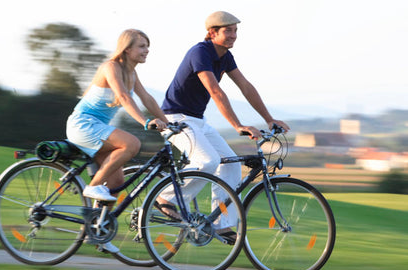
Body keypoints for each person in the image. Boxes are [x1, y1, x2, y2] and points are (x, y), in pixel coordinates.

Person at [159, 11, 290, 242]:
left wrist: (269, 119)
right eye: (228, 30)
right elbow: (215, 91)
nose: (234, 36)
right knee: (207, 161)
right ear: (212, 33)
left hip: (197, 120)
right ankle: (166, 199)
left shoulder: (225, 56)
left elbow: (245, 87)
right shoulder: (200, 52)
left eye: (236, 30)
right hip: (175, 118)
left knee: (230, 165)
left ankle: (221, 224)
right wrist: (238, 125)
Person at [66, 29, 168, 251]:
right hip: (83, 124)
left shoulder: (132, 72)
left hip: (99, 127)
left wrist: (166, 122)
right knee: (132, 143)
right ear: (127, 49)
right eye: (141, 46)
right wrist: (145, 122)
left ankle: (96, 232)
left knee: (114, 185)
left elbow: (147, 98)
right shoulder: (110, 67)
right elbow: (123, 97)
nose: (146, 50)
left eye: (147, 45)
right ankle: (92, 186)